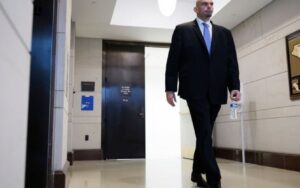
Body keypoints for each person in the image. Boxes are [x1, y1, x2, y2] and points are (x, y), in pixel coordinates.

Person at [165, 0, 241, 187]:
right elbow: (173, 60)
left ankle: (196, 173)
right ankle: (214, 178)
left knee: (204, 134)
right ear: (196, 9)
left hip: (216, 89)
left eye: (211, 4)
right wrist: (169, 88)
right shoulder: (182, 30)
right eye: (204, 4)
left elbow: (232, 62)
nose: (209, 6)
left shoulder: (224, 33)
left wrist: (235, 87)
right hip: (193, 89)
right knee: (205, 132)